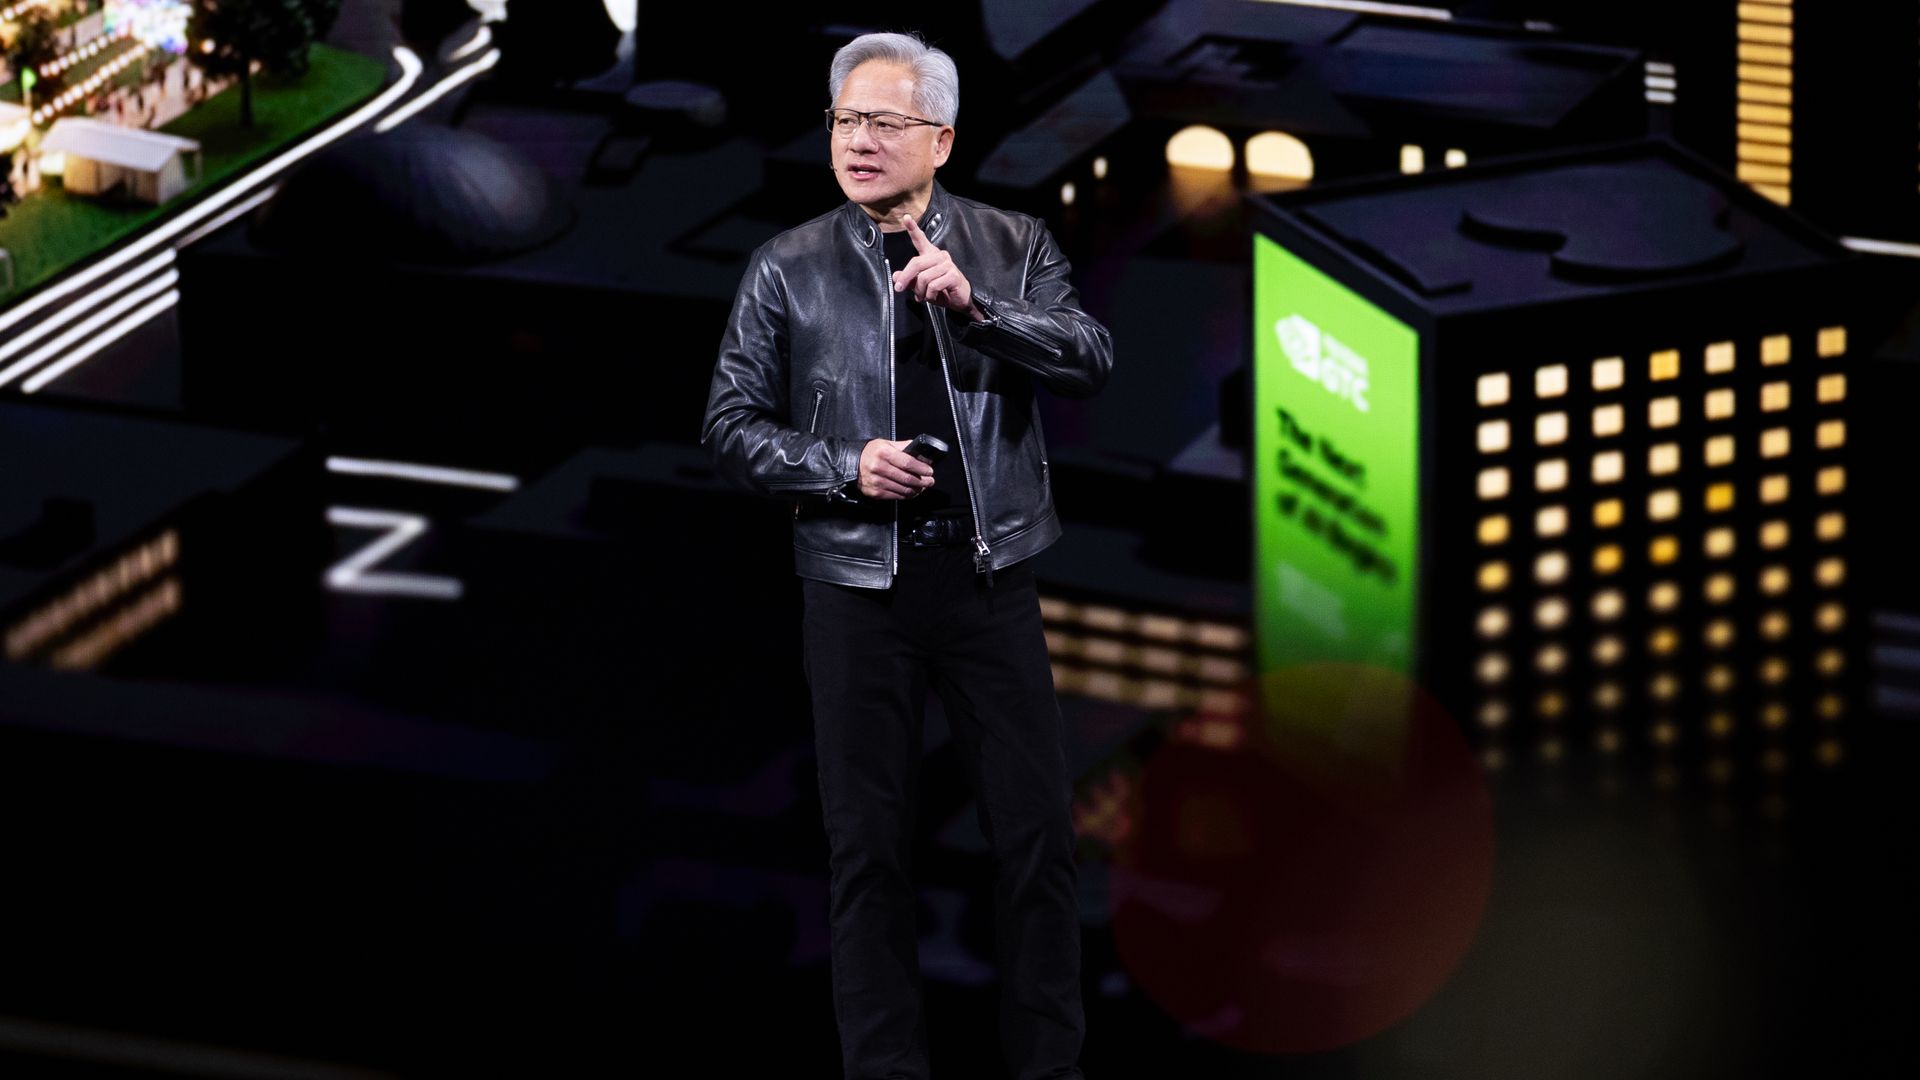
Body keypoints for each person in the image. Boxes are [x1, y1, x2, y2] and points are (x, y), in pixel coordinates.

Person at [701, 30, 1111, 1080]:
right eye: (845, 120)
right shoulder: (787, 265)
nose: (859, 141)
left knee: (1037, 844)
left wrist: (979, 307)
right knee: (868, 856)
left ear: (943, 138)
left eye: (884, 122)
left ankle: (1050, 1067)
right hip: (855, 592)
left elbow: (1088, 358)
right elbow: (730, 426)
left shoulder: (1012, 241)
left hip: (987, 579)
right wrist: (846, 467)